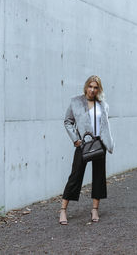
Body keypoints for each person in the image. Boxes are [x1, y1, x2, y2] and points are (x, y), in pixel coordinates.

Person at [59, 75, 114, 225]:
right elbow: (68, 121)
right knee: (75, 176)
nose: (92, 90)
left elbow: (104, 125)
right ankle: (63, 210)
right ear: (86, 86)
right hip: (84, 144)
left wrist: (107, 141)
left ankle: (95, 209)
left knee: (99, 176)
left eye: (96, 87)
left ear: (99, 89)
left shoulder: (103, 105)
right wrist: (75, 139)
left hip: (99, 143)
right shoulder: (76, 102)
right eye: (90, 86)